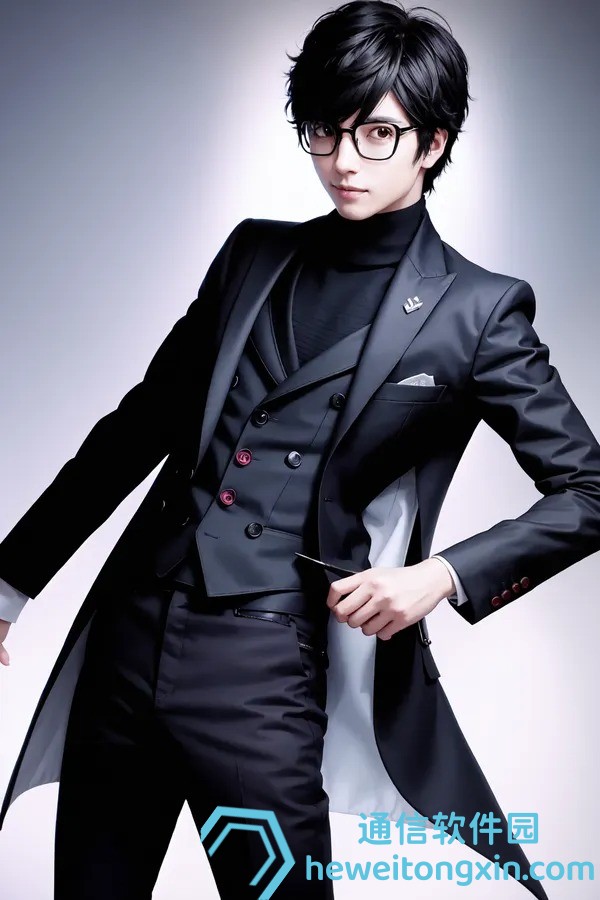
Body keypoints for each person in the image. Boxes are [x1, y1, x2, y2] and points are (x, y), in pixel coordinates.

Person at [1, 1, 599, 898]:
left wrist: (439, 577)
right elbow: (139, 426)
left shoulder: (478, 311)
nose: (344, 160)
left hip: (266, 665)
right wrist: (10, 580)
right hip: (128, 635)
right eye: (324, 129)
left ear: (433, 143)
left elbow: (589, 490)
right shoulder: (253, 254)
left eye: (377, 133)